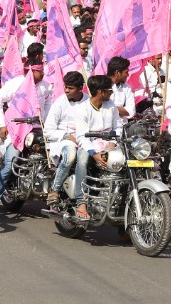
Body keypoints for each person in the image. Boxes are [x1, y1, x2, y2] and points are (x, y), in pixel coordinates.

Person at [0, 57, 50, 209]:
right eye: (39, 71)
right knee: (11, 163)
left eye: (43, 71)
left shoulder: (45, 86)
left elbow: (48, 107)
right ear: (31, 71)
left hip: (37, 130)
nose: (43, 74)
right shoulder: (15, 83)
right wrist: (2, 125)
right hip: (16, 130)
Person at [71, 75, 123, 221]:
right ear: (101, 91)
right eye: (109, 90)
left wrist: (112, 145)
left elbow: (117, 126)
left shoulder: (111, 105)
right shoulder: (83, 109)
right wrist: (94, 154)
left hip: (110, 144)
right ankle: (81, 202)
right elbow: (81, 136)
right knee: (82, 160)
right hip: (90, 145)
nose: (111, 93)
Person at [44, 71, 87, 208]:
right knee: (70, 155)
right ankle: (55, 190)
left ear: (81, 88)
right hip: (64, 141)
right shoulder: (59, 103)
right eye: (66, 87)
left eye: (71, 88)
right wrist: (68, 136)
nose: (67, 90)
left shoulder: (89, 102)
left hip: (86, 140)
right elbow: (48, 130)